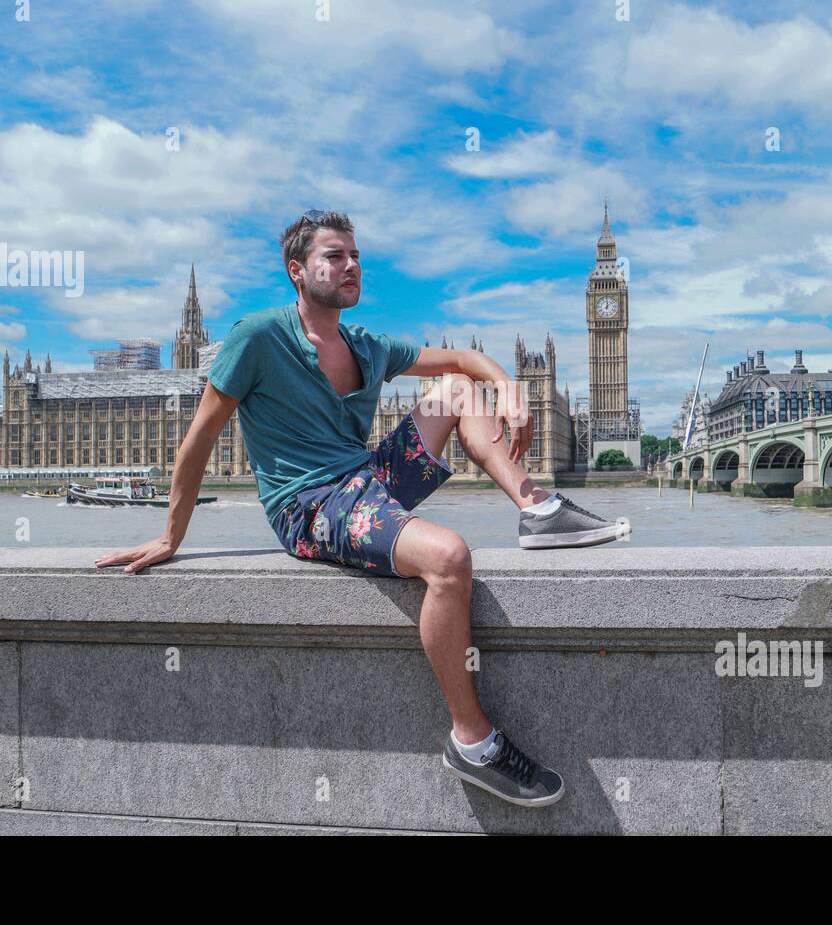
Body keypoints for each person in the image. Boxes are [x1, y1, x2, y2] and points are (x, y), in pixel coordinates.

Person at [96, 209, 630, 807]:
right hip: (311, 506)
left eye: (355, 256)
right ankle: (473, 742)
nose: (350, 266)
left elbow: (462, 362)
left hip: (365, 482)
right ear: (296, 271)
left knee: (458, 389)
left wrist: (506, 384)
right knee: (449, 556)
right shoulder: (258, 337)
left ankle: (538, 508)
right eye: (334, 257)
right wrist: (171, 536)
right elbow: (198, 439)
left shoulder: (366, 345)